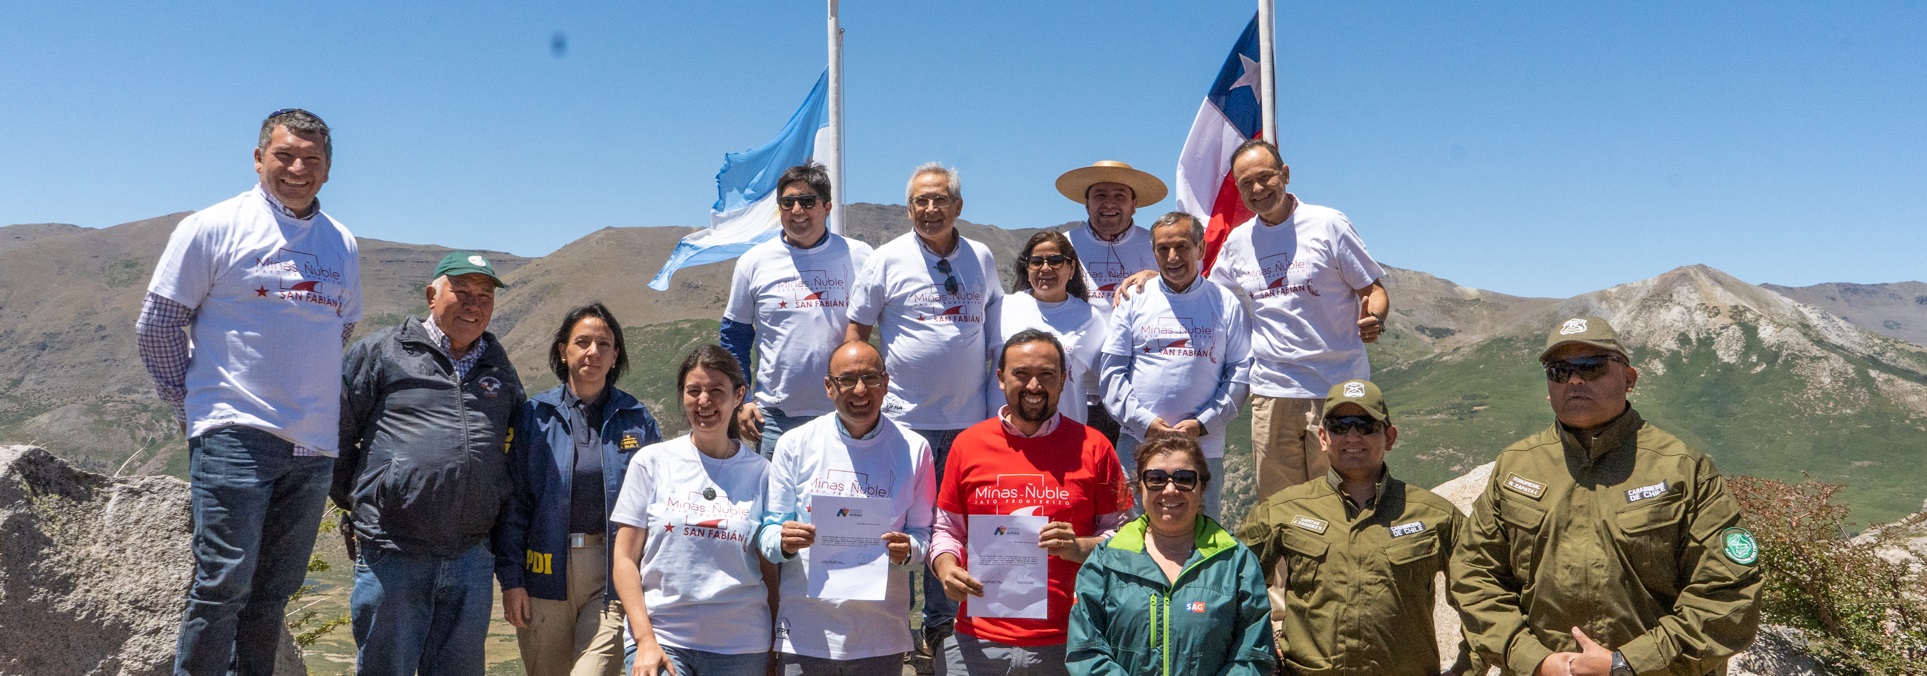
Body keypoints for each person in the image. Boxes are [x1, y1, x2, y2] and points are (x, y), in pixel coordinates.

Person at [136, 107, 363, 675]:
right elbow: (159, 324)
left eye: (312, 159)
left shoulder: (342, 244)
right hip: (236, 433)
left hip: (312, 446)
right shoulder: (212, 226)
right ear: (259, 158)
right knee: (222, 587)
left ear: (328, 170)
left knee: (273, 594)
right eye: (284, 155)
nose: (297, 168)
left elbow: (340, 327)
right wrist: (189, 404)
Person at [1452, 316, 1763, 676]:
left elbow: (1729, 590)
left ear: (1629, 379)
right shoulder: (1516, 466)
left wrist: (1627, 664)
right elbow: (1474, 574)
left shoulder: (1682, 468)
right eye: (1560, 370)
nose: (1575, 380)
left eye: (1592, 367)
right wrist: (1532, 659)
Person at [335, 252, 524, 675]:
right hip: (394, 553)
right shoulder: (381, 352)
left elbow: (510, 453)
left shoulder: (498, 366)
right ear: (431, 296)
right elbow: (336, 438)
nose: (474, 305)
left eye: (485, 295)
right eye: (462, 292)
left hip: (470, 556)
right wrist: (373, 500)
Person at [846, 162, 1003, 648]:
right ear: (909, 208)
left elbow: (995, 336)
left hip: (967, 423)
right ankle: (889, 628)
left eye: (939, 200)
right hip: (902, 422)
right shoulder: (886, 259)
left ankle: (941, 629)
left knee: (952, 525)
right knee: (898, 524)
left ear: (958, 206)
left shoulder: (981, 257)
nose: (929, 210)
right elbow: (857, 330)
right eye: (920, 201)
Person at [928, 330, 1135, 676]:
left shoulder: (1096, 447)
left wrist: (1079, 547)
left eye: (1047, 375)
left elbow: (1128, 537)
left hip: (1070, 642)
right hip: (977, 639)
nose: (1034, 386)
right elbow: (947, 529)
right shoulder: (968, 445)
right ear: (1000, 377)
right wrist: (946, 569)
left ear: (1065, 379)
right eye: (1021, 374)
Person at [1238, 379, 1465, 675]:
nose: (1353, 435)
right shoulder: (1282, 510)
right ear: (1323, 437)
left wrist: (1467, 668)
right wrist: (1258, 657)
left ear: (1390, 436)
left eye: (1366, 424)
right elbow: (1229, 589)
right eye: (1339, 425)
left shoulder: (1435, 515)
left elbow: (1483, 595)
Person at [1208, 138, 1391, 503]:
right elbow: (1209, 295)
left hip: (1336, 390)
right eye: (1246, 184)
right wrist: (1153, 278)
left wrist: (1375, 317)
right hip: (1272, 392)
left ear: (1285, 174)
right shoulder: (1239, 241)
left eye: (1265, 177)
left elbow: (1373, 288)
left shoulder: (1328, 224)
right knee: (1280, 509)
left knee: (1344, 500)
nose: (1258, 189)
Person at [496, 303, 662, 675]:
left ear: (616, 354)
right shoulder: (534, 415)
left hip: (612, 571)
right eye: (582, 342)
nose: (593, 352)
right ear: (562, 350)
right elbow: (513, 505)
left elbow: (658, 505)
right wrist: (511, 581)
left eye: (604, 344)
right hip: (544, 570)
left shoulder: (637, 418)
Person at [758, 341, 938, 674]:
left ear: (885, 384)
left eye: (870, 378)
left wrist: (908, 548)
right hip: (807, 633)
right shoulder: (794, 445)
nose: (860, 390)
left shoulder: (914, 449)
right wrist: (783, 541)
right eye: (847, 379)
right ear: (829, 387)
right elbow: (768, 533)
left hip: (880, 636)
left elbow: (924, 536)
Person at [610, 346, 776, 676]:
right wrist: (644, 640)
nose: (704, 401)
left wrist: (774, 647)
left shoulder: (763, 474)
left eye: (717, 391)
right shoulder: (652, 462)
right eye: (694, 391)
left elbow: (771, 571)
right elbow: (625, 559)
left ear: (739, 394)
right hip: (662, 639)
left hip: (741, 645)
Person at [1067, 435, 1275, 675]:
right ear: (1139, 487)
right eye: (1155, 479)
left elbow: (1253, 656)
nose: (1170, 489)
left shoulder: (1236, 562)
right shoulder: (1104, 561)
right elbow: (1086, 650)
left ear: (1203, 486)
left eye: (1184, 479)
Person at [1100, 212, 1251, 518]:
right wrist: (1144, 423)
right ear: (1153, 252)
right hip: (1137, 444)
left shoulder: (1226, 303)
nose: (1172, 257)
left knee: (1202, 536)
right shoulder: (1133, 299)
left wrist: (1203, 423)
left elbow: (1239, 373)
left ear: (1201, 249)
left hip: (1204, 447)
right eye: (1162, 249)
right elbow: (1112, 373)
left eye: (1182, 247)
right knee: (1132, 533)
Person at [722, 162, 874, 457]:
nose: (796, 211)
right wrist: (742, 399)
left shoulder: (860, 256)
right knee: (776, 504)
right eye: (787, 202)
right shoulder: (753, 262)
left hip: (847, 411)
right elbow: (733, 337)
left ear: (827, 207)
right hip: (776, 419)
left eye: (807, 201)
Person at [1055, 160, 1168, 445]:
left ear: (1134, 203)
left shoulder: (1157, 247)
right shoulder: (1062, 246)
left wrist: (1158, 274)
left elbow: (1189, 287)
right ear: (1086, 202)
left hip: (1138, 392)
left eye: (1119, 195)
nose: (1109, 203)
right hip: (1076, 392)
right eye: (1100, 195)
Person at [987, 231, 1107, 426]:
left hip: (1063, 437)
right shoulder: (1002, 308)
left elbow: (1109, 376)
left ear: (1072, 267)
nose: (1045, 268)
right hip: (1003, 433)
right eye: (1036, 261)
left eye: (1055, 260)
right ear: (1027, 268)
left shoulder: (1090, 318)